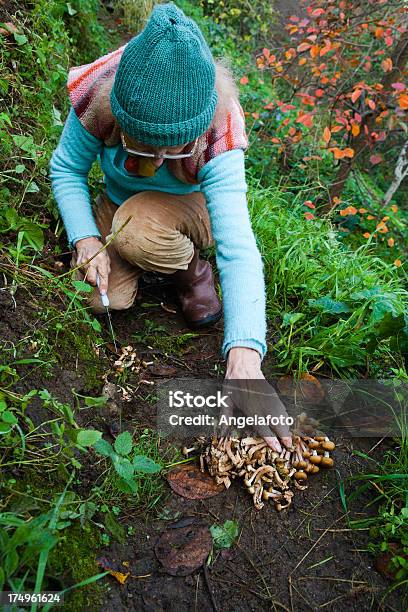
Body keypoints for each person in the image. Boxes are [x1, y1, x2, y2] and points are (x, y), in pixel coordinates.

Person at [50, 2, 292, 451]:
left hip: (188, 209)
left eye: (172, 150)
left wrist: (244, 358)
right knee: (100, 300)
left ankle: (189, 272)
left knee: (138, 229)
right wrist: (85, 238)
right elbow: (66, 169)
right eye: (144, 147)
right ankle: (145, 255)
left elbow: (238, 248)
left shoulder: (219, 124)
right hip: (121, 204)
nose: (158, 163)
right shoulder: (103, 90)